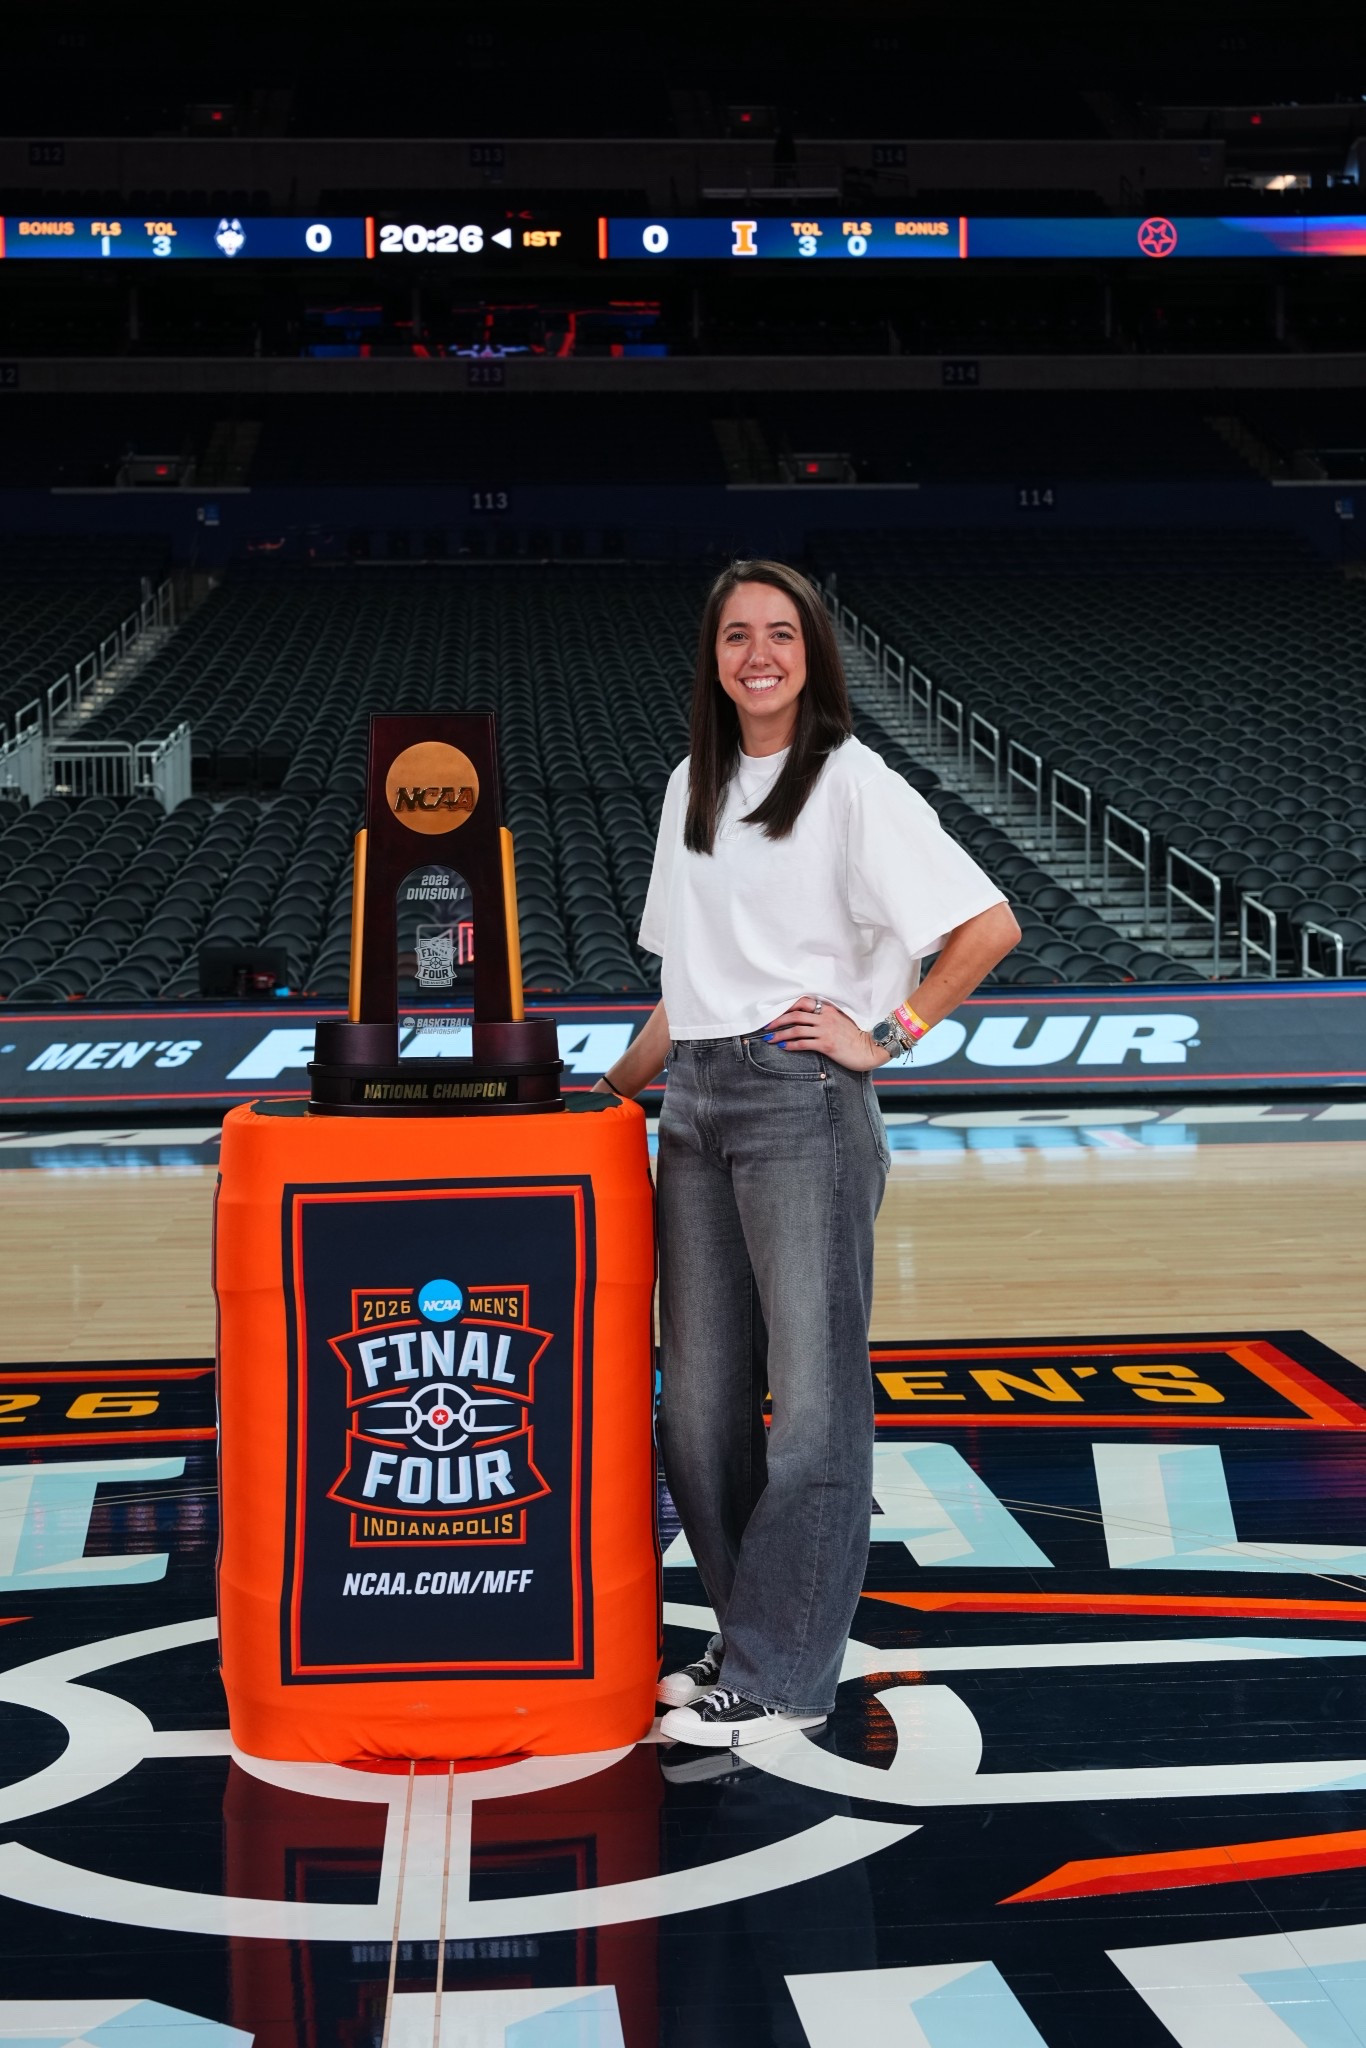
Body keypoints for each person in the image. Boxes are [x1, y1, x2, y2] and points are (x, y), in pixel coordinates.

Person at [592, 559, 1019, 1747]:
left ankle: (783, 1670)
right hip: (694, 1101)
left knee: (815, 1411)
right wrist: (607, 1091)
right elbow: (687, 987)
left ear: (810, 653)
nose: (759, 653)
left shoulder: (849, 780)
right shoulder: (694, 782)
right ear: (714, 656)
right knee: (701, 1411)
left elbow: (987, 925)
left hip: (800, 1100)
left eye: (781, 633)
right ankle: (753, 1635)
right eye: (737, 634)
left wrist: (886, 1034)